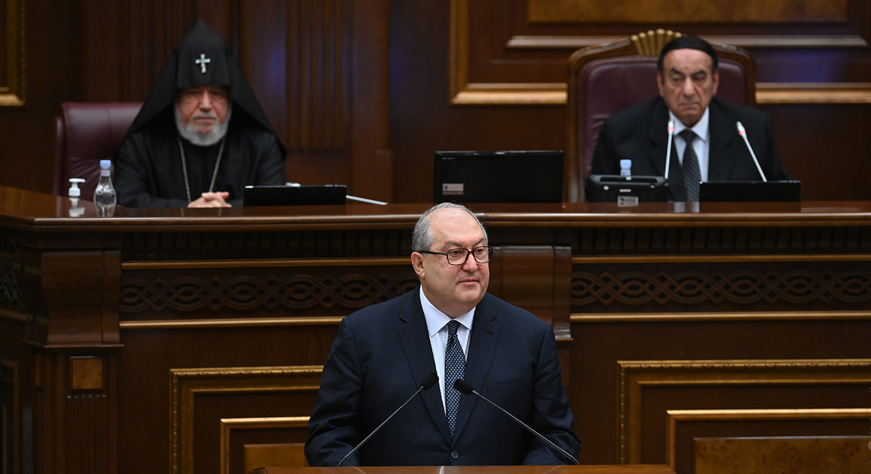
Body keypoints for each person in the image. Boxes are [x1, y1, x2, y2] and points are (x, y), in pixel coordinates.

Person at [305, 202, 581, 466]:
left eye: (480, 251)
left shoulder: (530, 334)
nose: (472, 265)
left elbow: (556, 437)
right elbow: (329, 435)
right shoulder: (363, 334)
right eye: (455, 253)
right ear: (419, 264)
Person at [590, 35, 791, 202]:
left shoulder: (752, 130)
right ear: (660, 82)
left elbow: (782, 199)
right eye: (677, 79)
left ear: (715, 82)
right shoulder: (621, 131)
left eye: (699, 78)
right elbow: (598, 203)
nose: (688, 91)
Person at [114, 20, 287, 208]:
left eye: (216, 94)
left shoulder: (260, 144)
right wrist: (186, 211)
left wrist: (227, 212)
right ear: (175, 98)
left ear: (231, 99)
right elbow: (125, 201)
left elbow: (276, 201)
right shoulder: (141, 144)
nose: (205, 105)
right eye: (193, 93)